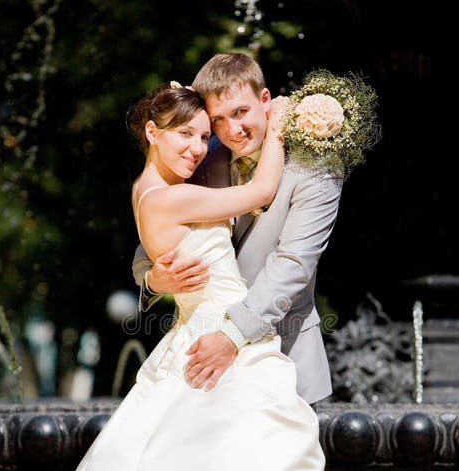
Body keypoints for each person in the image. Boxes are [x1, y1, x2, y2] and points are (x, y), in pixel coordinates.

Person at [0, 83, 388, 471]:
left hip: (236, 337)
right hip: (213, 340)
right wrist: (278, 126)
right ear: (152, 132)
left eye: (207, 131)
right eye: (190, 132)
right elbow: (254, 196)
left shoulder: (183, 181)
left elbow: (282, 262)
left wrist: (164, 273)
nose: (203, 144)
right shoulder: (182, 186)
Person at [132, 52, 341, 405]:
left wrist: (232, 336)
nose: (231, 130)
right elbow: (153, 236)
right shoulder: (200, 158)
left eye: (240, 112)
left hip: (283, 357)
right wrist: (153, 280)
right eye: (218, 120)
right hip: (200, 358)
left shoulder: (315, 171)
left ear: (265, 101)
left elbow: (293, 266)